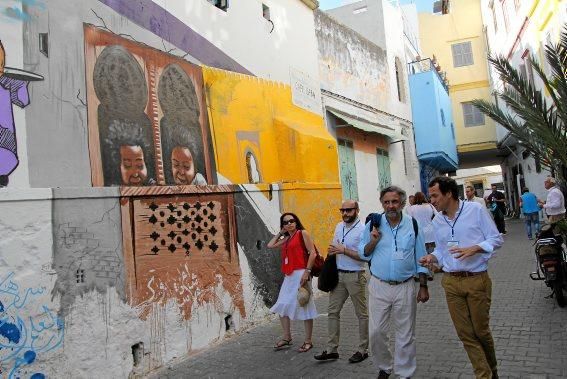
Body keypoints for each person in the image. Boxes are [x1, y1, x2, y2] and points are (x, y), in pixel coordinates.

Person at [420, 176, 503, 379]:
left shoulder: (475, 210)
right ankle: (484, 375)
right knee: (466, 334)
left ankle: (492, 370)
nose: (432, 200)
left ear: (448, 194)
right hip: (451, 282)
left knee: (481, 332)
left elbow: (496, 238)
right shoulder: (438, 219)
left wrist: (476, 248)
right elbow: (442, 250)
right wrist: (432, 257)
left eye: (435, 196)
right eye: (430, 196)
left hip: (476, 280)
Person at [358, 186, 429, 379]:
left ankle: (404, 373)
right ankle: (384, 366)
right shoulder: (373, 224)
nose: (390, 206)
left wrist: (423, 286)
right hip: (379, 285)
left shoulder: (412, 224)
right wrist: (373, 240)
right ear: (382, 203)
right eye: (386, 202)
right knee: (376, 332)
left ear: (403, 203)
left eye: (394, 201)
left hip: (405, 286)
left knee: (405, 333)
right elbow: (363, 253)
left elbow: (421, 256)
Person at [314, 200, 368, 363]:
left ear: (357, 210)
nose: (345, 213)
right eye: (342, 210)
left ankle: (363, 349)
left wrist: (343, 250)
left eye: (349, 210)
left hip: (355, 276)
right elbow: (335, 247)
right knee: (332, 312)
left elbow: (364, 256)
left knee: (361, 314)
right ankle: (332, 349)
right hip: (338, 276)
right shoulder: (339, 226)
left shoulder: (363, 230)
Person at [267, 212, 318, 353]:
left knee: (305, 306)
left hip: (301, 273)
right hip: (289, 276)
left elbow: (312, 253)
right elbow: (270, 245)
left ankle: (308, 341)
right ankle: (287, 337)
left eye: (291, 221)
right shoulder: (286, 239)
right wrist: (280, 233)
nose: (289, 223)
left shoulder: (302, 233)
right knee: (282, 305)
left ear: (296, 221)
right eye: (285, 222)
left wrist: (307, 272)